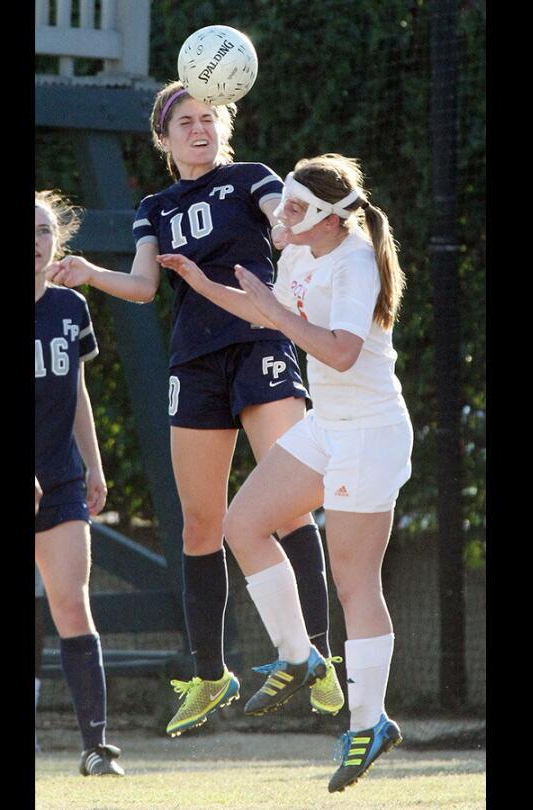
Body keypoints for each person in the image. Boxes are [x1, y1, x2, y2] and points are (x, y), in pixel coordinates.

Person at [45, 81, 341, 737]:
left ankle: (319, 657)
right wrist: (92, 272)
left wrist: (302, 230)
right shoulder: (155, 207)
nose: (199, 129)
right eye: (185, 121)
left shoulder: (250, 179)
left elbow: (287, 228)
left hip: (260, 342)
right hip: (196, 362)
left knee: (289, 502)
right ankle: (212, 674)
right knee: (199, 527)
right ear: (164, 138)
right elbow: (146, 287)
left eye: (209, 118)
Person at [163, 154, 411, 793]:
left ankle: (368, 722)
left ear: (329, 218)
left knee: (354, 582)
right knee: (240, 524)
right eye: (286, 202)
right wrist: (200, 280)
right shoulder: (299, 252)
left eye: (297, 208)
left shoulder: (354, 260)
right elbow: (259, 312)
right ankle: (299, 656)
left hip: (370, 434)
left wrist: (276, 311)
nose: (284, 214)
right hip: (329, 426)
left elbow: (340, 350)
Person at [34, 190, 123, 777]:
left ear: (56, 242)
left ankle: (96, 747)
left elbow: (79, 392)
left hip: (61, 479)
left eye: (42, 230)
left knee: (71, 602)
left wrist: (93, 463)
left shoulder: (70, 307)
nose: (34, 241)